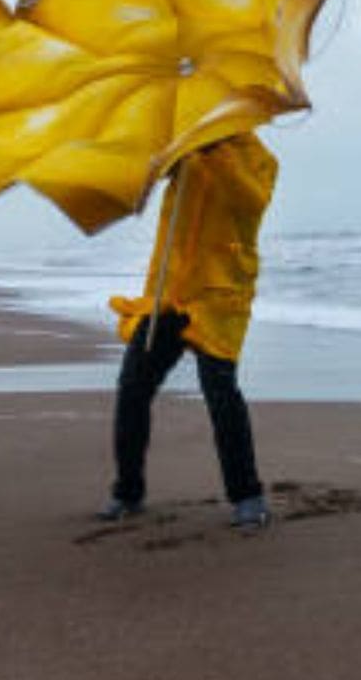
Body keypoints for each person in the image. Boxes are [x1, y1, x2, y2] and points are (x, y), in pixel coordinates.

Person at [100, 132, 278, 530]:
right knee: (132, 387)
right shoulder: (184, 152)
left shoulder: (260, 158)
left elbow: (250, 203)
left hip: (219, 297)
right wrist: (158, 164)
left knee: (220, 392)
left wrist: (213, 151)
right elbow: (141, 185)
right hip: (169, 294)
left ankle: (248, 496)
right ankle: (127, 492)